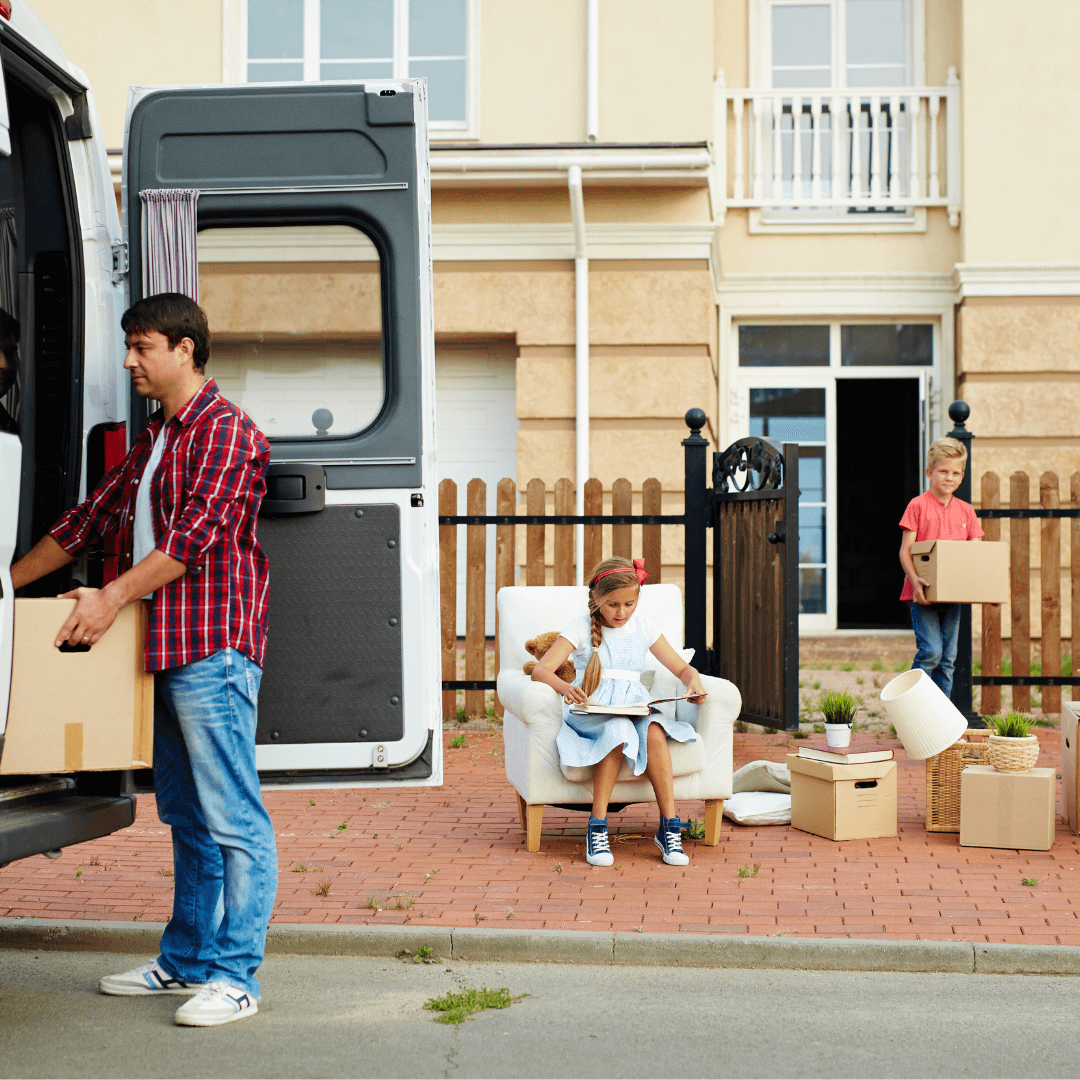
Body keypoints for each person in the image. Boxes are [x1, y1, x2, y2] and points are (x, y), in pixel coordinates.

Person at [10, 292, 274, 1028]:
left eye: (143, 346)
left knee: (233, 818)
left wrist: (110, 598)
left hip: (212, 648)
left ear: (186, 349)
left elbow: (194, 539)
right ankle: (187, 961)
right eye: (129, 346)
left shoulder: (226, 432)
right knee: (188, 816)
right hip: (161, 650)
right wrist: (4, 588)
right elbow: (86, 520)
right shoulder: (159, 436)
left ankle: (236, 976)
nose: (129, 360)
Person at [529, 557, 707, 867]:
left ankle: (669, 826)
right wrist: (563, 688)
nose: (621, 612)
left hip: (634, 707)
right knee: (617, 731)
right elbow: (541, 670)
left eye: (629, 603)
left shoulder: (644, 627)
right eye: (613, 605)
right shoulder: (581, 627)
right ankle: (597, 826)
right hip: (594, 711)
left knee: (654, 730)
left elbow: (680, 667)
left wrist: (694, 682)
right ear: (597, 598)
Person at [898, 437, 984, 697]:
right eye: (943, 471)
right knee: (931, 652)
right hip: (922, 593)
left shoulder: (966, 511)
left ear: (962, 475)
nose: (950, 478)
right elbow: (906, 550)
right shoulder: (918, 505)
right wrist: (914, 580)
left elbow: (976, 553)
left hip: (953, 596)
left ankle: (937, 720)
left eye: (956, 473)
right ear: (929, 472)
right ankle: (910, 707)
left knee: (947, 661)